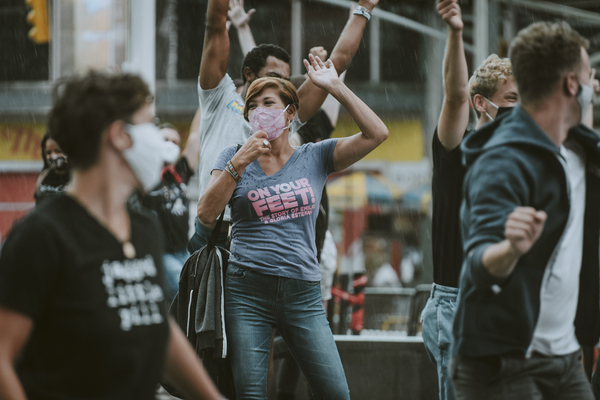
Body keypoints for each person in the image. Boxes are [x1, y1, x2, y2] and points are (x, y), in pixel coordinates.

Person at [0, 71, 223, 400]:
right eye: (149, 124)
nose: (160, 143)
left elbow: (156, 328)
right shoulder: (40, 236)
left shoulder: (143, 225)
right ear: (120, 135)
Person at [197, 54, 388, 399]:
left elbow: (377, 133)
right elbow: (206, 213)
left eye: (268, 103)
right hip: (247, 290)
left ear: (290, 113)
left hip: (304, 293)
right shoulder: (232, 156)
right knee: (251, 394)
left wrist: (335, 87)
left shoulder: (314, 156)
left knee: (335, 392)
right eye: (252, 105)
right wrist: (239, 162)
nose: (259, 110)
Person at [451, 21, 599, 399]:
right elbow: (479, 265)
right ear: (570, 85)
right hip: (502, 363)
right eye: (588, 76)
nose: (593, 85)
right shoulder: (503, 162)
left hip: (565, 359)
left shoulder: (582, 151)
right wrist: (511, 248)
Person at [188, 0, 380, 253]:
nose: (281, 86)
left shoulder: (287, 112)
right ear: (249, 74)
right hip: (214, 234)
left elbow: (338, 62)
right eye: (274, 77)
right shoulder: (218, 97)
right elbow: (214, 28)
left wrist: (363, 9)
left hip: (260, 240)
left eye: (286, 80)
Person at [420, 2, 517, 399]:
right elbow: (456, 96)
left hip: (504, 300)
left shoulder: (516, 160)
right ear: (483, 104)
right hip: (456, 305)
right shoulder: (455, 151)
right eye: (511, 100)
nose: (519, 111)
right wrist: (456, 32)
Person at [141, 123, 200, 303]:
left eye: (175, 141)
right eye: (165, 139)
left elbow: (196, 136)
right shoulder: (144, 175)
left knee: (194, 295)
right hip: (162, 252)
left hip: (183, 250)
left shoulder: (180, 172)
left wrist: (208, 99)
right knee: (185, 299)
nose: (170, 144)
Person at [34, 132, 71, 206]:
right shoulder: (43, 176)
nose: (53, 157)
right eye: (48, 153)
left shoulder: (79, 177)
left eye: (58, 151)